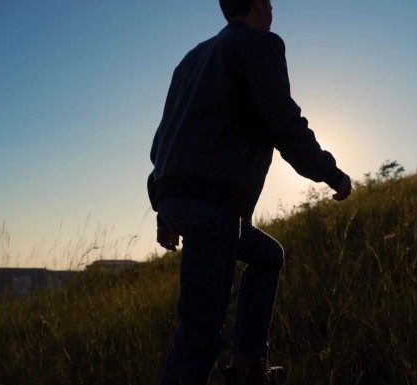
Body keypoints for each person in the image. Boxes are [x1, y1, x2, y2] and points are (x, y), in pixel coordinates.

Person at [147, 0, 352, 383]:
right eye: (271, 5)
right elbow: (282, 121)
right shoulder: (259, 44)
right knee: (200, 337)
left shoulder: (190, 61)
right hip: (213, 205)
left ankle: (247, 366)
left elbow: (165, 140)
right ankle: (242, 367)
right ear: (259, 6)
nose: (273, 13)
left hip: (178, 198)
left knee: (268, 255)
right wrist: (332, 175)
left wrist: (163, 208)